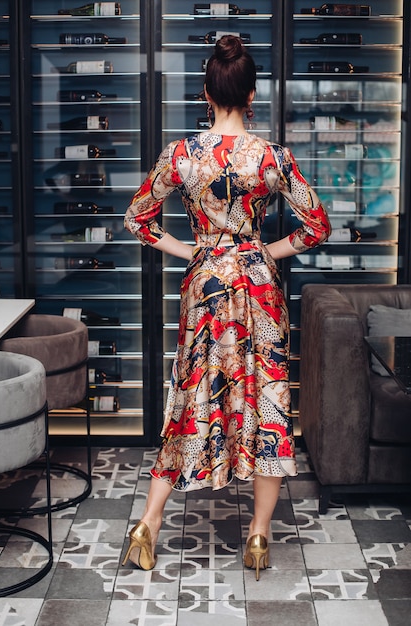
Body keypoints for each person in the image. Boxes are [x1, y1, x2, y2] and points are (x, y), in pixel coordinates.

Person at [123, 35, 331, 580]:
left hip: (205, 288)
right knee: (266, 404)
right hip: (258, 290)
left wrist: (190, 249)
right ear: (253, 94)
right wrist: (266, 249)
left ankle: (148, 522)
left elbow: (137, 219)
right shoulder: (272, 158)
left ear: (206, 94)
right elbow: (318, 226)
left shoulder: (182, 156)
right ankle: (259, 539)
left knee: (191, 398)